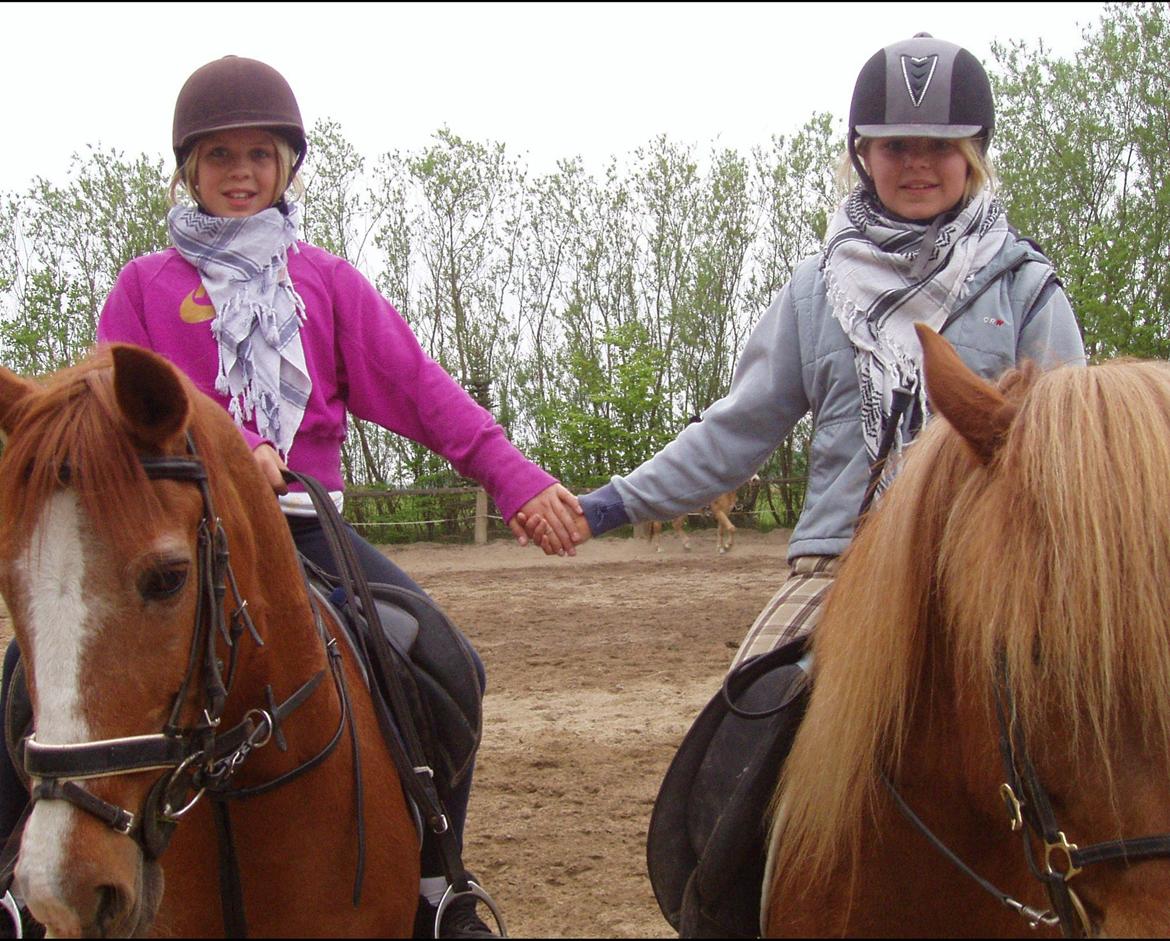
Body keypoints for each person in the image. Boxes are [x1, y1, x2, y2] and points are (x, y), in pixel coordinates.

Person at [0, 55, 584, 939]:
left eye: (260, 156)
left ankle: (437, 883)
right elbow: (104, 422)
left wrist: (520, 479)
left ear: (287, 168)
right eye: (221, 156)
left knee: (445, 661)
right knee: (16, 684)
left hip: (305, 532)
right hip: (169, 536)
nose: (241, 173)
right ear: (188, 170)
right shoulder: (144, 288)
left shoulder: (329, 285)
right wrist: (228, 454)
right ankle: (15, 892)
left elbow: (423, 392)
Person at [523, 33, 1085, 666]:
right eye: (896, 145)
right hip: (840, 563)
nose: (917, 164)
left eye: (940, 146)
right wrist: (608, 505)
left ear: (972, 154)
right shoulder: (817, 291)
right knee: (739, 724)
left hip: (990, 567)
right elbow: (736, 432)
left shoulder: (1026, 286)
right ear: (864, 154)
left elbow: (1069, 453)